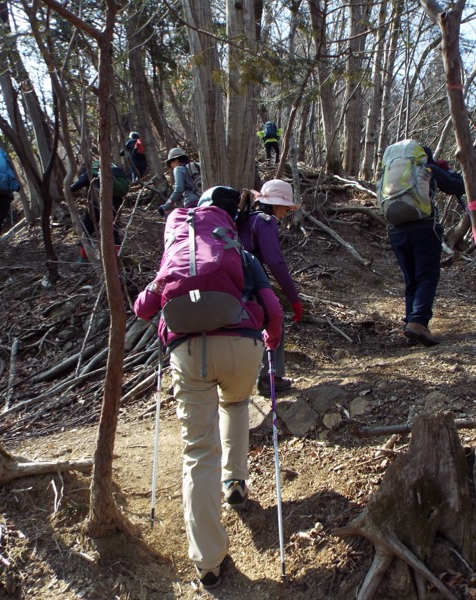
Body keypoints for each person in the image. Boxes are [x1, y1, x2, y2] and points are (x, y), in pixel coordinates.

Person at [133, 186, 283, 590]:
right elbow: (273, 308)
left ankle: (208, 562)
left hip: (187, 349)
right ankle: (235, 482)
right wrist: (271, 338)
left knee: (199, 452)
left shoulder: (176, 255)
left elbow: (142, 308)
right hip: (241, 343)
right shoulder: (240, 254)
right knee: (235, 404)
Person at [237, 179, 302, 395]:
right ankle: (269, 377)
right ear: (275, 204)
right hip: (251, 278)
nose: (286, 212)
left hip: (229, 279)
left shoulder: (243, 219)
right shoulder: (264, 222)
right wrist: (293, 298)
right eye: (285, 206)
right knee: (273, 318)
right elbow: (275, 262)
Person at [388, 145, 444, 346]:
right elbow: (458, 185)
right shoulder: (426, 167)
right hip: (425, 228)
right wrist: (443, 170)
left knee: (411, 280)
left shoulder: (392, 171)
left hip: (396, 231)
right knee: (427, 276)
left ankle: (411, 325)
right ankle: (418, 322)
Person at [70, 160, 129, 261]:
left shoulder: (90, 172)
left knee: (86, 229)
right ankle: (118, 257)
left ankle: (84, 258)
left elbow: (76, 186)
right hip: (116, 205)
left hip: (96, 204)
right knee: (113, 229)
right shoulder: (115, 170)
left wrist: (68, 188)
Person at [158, 147, 200, 214]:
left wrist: (165, 207)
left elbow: (179, 189)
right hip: (204, 199)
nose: (171, 167)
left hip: (191, 202)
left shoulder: (178, 169)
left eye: (171, 163)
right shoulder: (196, 166)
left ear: (176, 161)